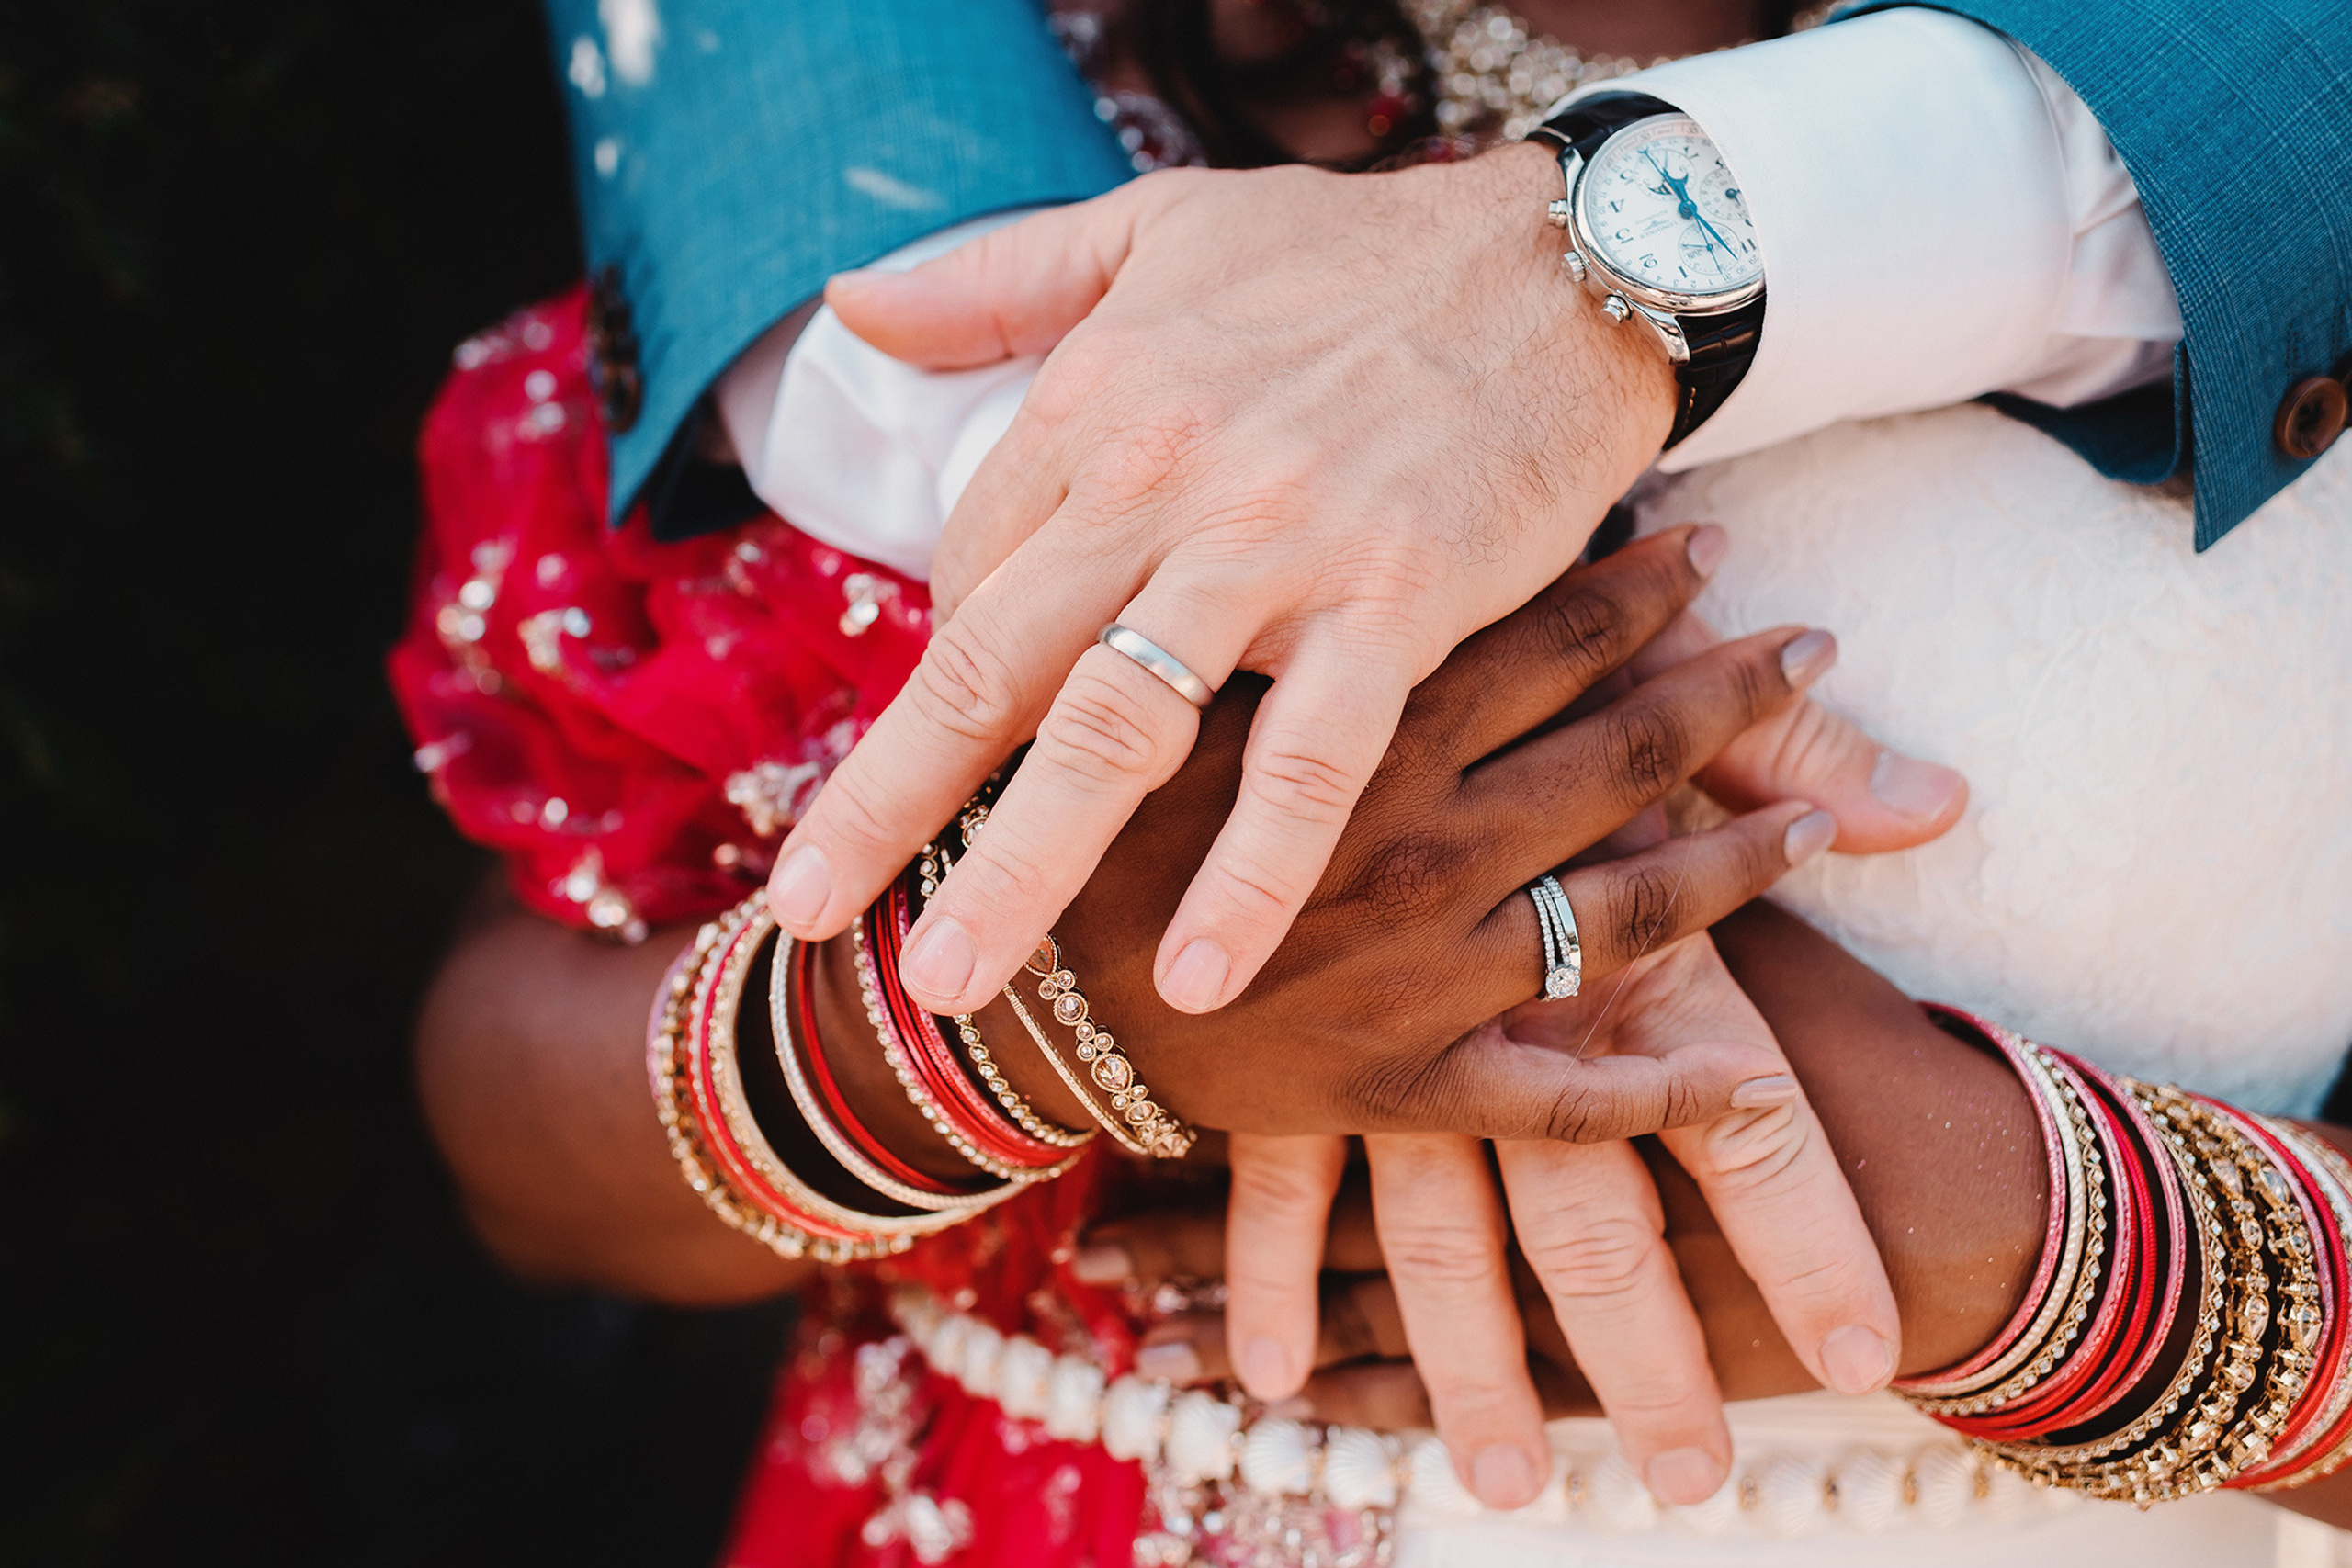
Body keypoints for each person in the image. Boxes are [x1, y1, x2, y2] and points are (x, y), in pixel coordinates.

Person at [399, 1, 2352, 1562]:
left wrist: (2052, 1249)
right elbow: (514, 1150)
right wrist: (1005, 1016)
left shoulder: (2245, 154)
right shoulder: (895, 209)